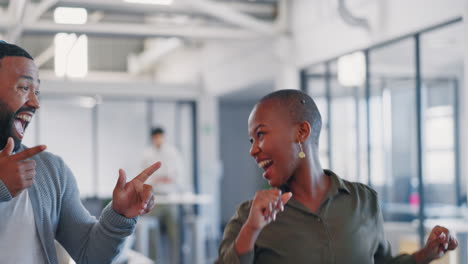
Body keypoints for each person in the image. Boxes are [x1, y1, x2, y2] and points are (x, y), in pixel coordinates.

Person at [216, 89, 458, 264]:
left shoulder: (363, 201)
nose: (252, 149)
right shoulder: (248, 218)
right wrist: (251, 230)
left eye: (260, 134)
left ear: (301, 132)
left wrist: (425, 254)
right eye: (251, 139)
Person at [0, 41, 161, 263]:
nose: (36, 103)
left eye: (37, 91)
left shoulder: (50, 171)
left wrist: (119, 216)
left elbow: (89, 255)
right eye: (24, 88)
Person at [141, 127, 186, 262]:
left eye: (160, 137)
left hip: (171, 198)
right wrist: (156, 180)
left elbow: (180, 175)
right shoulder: (147, 154)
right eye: (156, 137)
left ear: (164, 137)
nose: (158, 140)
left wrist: (168, 180)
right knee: (152, 233)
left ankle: (176, 261)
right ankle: (153, 261)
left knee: (174, 235)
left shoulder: (173, 153)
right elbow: (143, 177)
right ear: (152, 139)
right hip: (154, 199)